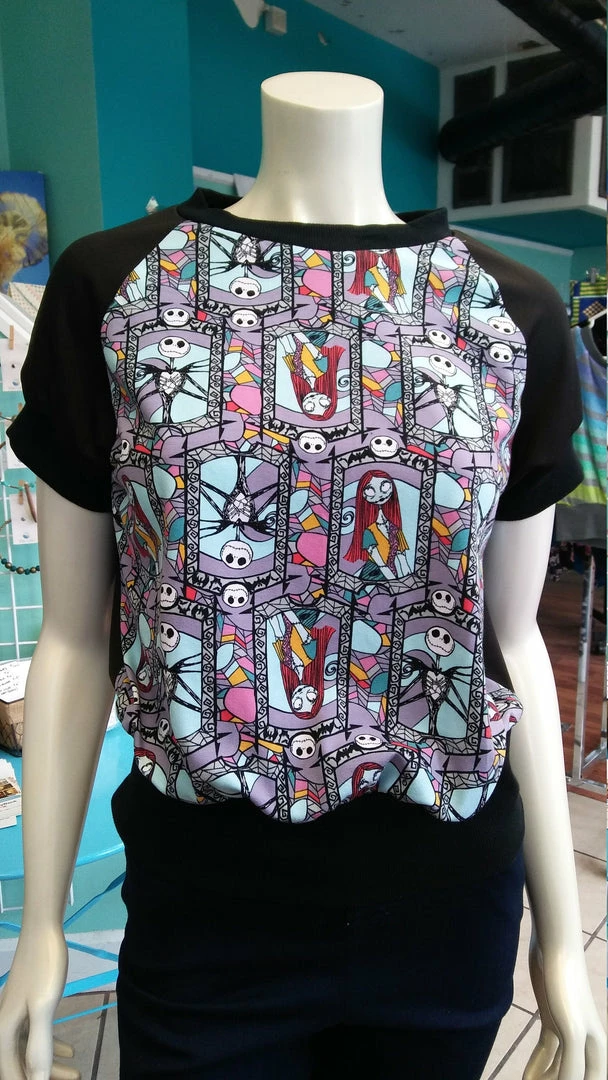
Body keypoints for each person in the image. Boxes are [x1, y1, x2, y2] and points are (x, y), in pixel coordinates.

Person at [0, 71, 604, 1080]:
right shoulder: (118, 288)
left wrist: (561, 944)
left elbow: (511, 643)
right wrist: (43, 925)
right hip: (205, 910)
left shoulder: (509, 312)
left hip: (445, 906)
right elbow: (70, 635)